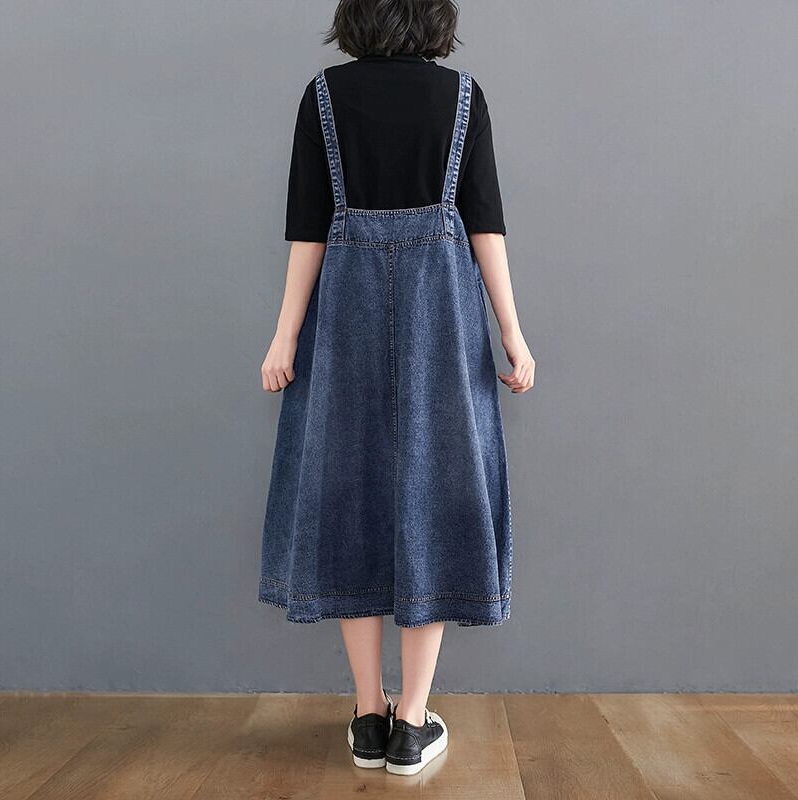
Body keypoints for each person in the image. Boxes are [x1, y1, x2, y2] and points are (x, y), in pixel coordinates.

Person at [258, 0, 535, 776]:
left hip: (341, 317)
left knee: (347, 490)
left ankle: (367, 714)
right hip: (441, 317)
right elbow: (484, 225)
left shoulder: (324, 96)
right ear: (432, 17)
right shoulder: (462, 97)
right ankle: (413, 721)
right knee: (437, 491)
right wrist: (512, 332)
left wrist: (285, 335)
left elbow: (308, 227)